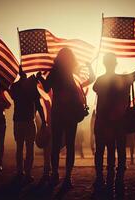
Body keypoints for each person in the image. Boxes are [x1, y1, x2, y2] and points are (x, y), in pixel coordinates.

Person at [38, 48, 94, 191]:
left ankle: (55, 173)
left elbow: (45, 87)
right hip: (71, 115)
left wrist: (39, 77)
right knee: (70, 146)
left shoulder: (55, 73)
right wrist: (89, 66)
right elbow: (91, 79)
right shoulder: (72, 75)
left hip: (58, 114)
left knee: (56, 145)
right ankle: (67, 177)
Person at [93, 53, 135, 197]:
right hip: (118, 122)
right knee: (118, 151)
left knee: (101, 151)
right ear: (115, 64)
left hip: (103, 122)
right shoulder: (121, 79)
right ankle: (118, 179)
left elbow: (96, 89)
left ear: (104, 64)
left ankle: (101, 179)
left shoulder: (100, 81)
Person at [10, 66, 46, 183]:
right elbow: (38, 105)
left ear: (19, 73)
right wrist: (44, 121)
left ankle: (20, 172)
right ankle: (27, 173)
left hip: (18, 121)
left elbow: (14, 97)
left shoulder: (14, 87)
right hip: (29, 121)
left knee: (19, 148)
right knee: (29, 148)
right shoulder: (31, 86)